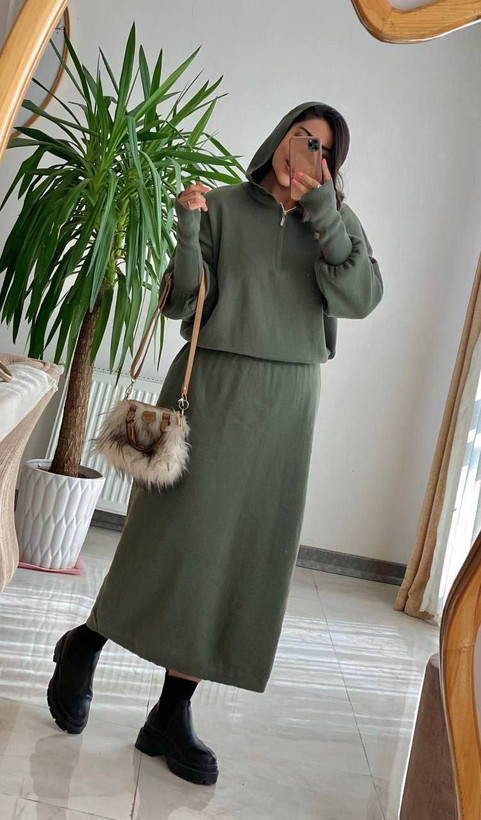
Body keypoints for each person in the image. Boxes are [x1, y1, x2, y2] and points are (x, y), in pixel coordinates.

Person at [47, 101, 384, 786]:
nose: (308, 154)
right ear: (279, 139)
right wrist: (186, 226)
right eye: (301, 137)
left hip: (288, 401)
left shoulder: (337, 223)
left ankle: (171, 712)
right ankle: (86, 643)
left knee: (236, 556)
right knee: (173, 538)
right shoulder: (224, 206)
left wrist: (324, 214)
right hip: (213, 389)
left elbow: (360, 299)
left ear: (331, 164)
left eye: (323, 149)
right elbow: (183, 301)